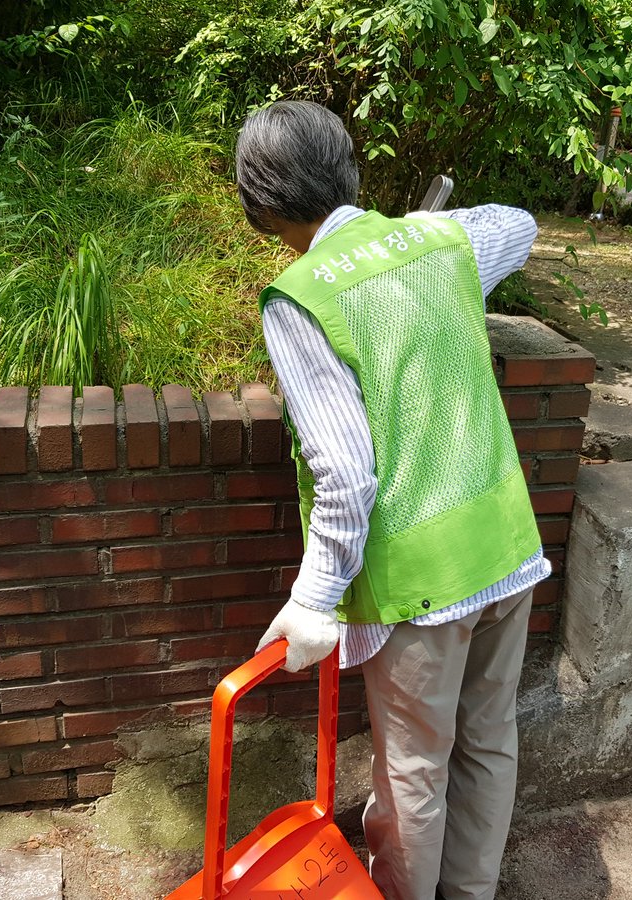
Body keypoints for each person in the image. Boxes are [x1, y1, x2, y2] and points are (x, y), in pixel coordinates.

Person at [236, 99, 552, 900]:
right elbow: (518, 222)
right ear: (346, 164)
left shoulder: (300, 298)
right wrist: (417, 230)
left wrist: (315, 601)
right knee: (488, 743)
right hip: (506, 546)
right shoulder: (444, 241)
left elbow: (345, 471)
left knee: (414, 769)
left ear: (262, 203)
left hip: (421, 583)